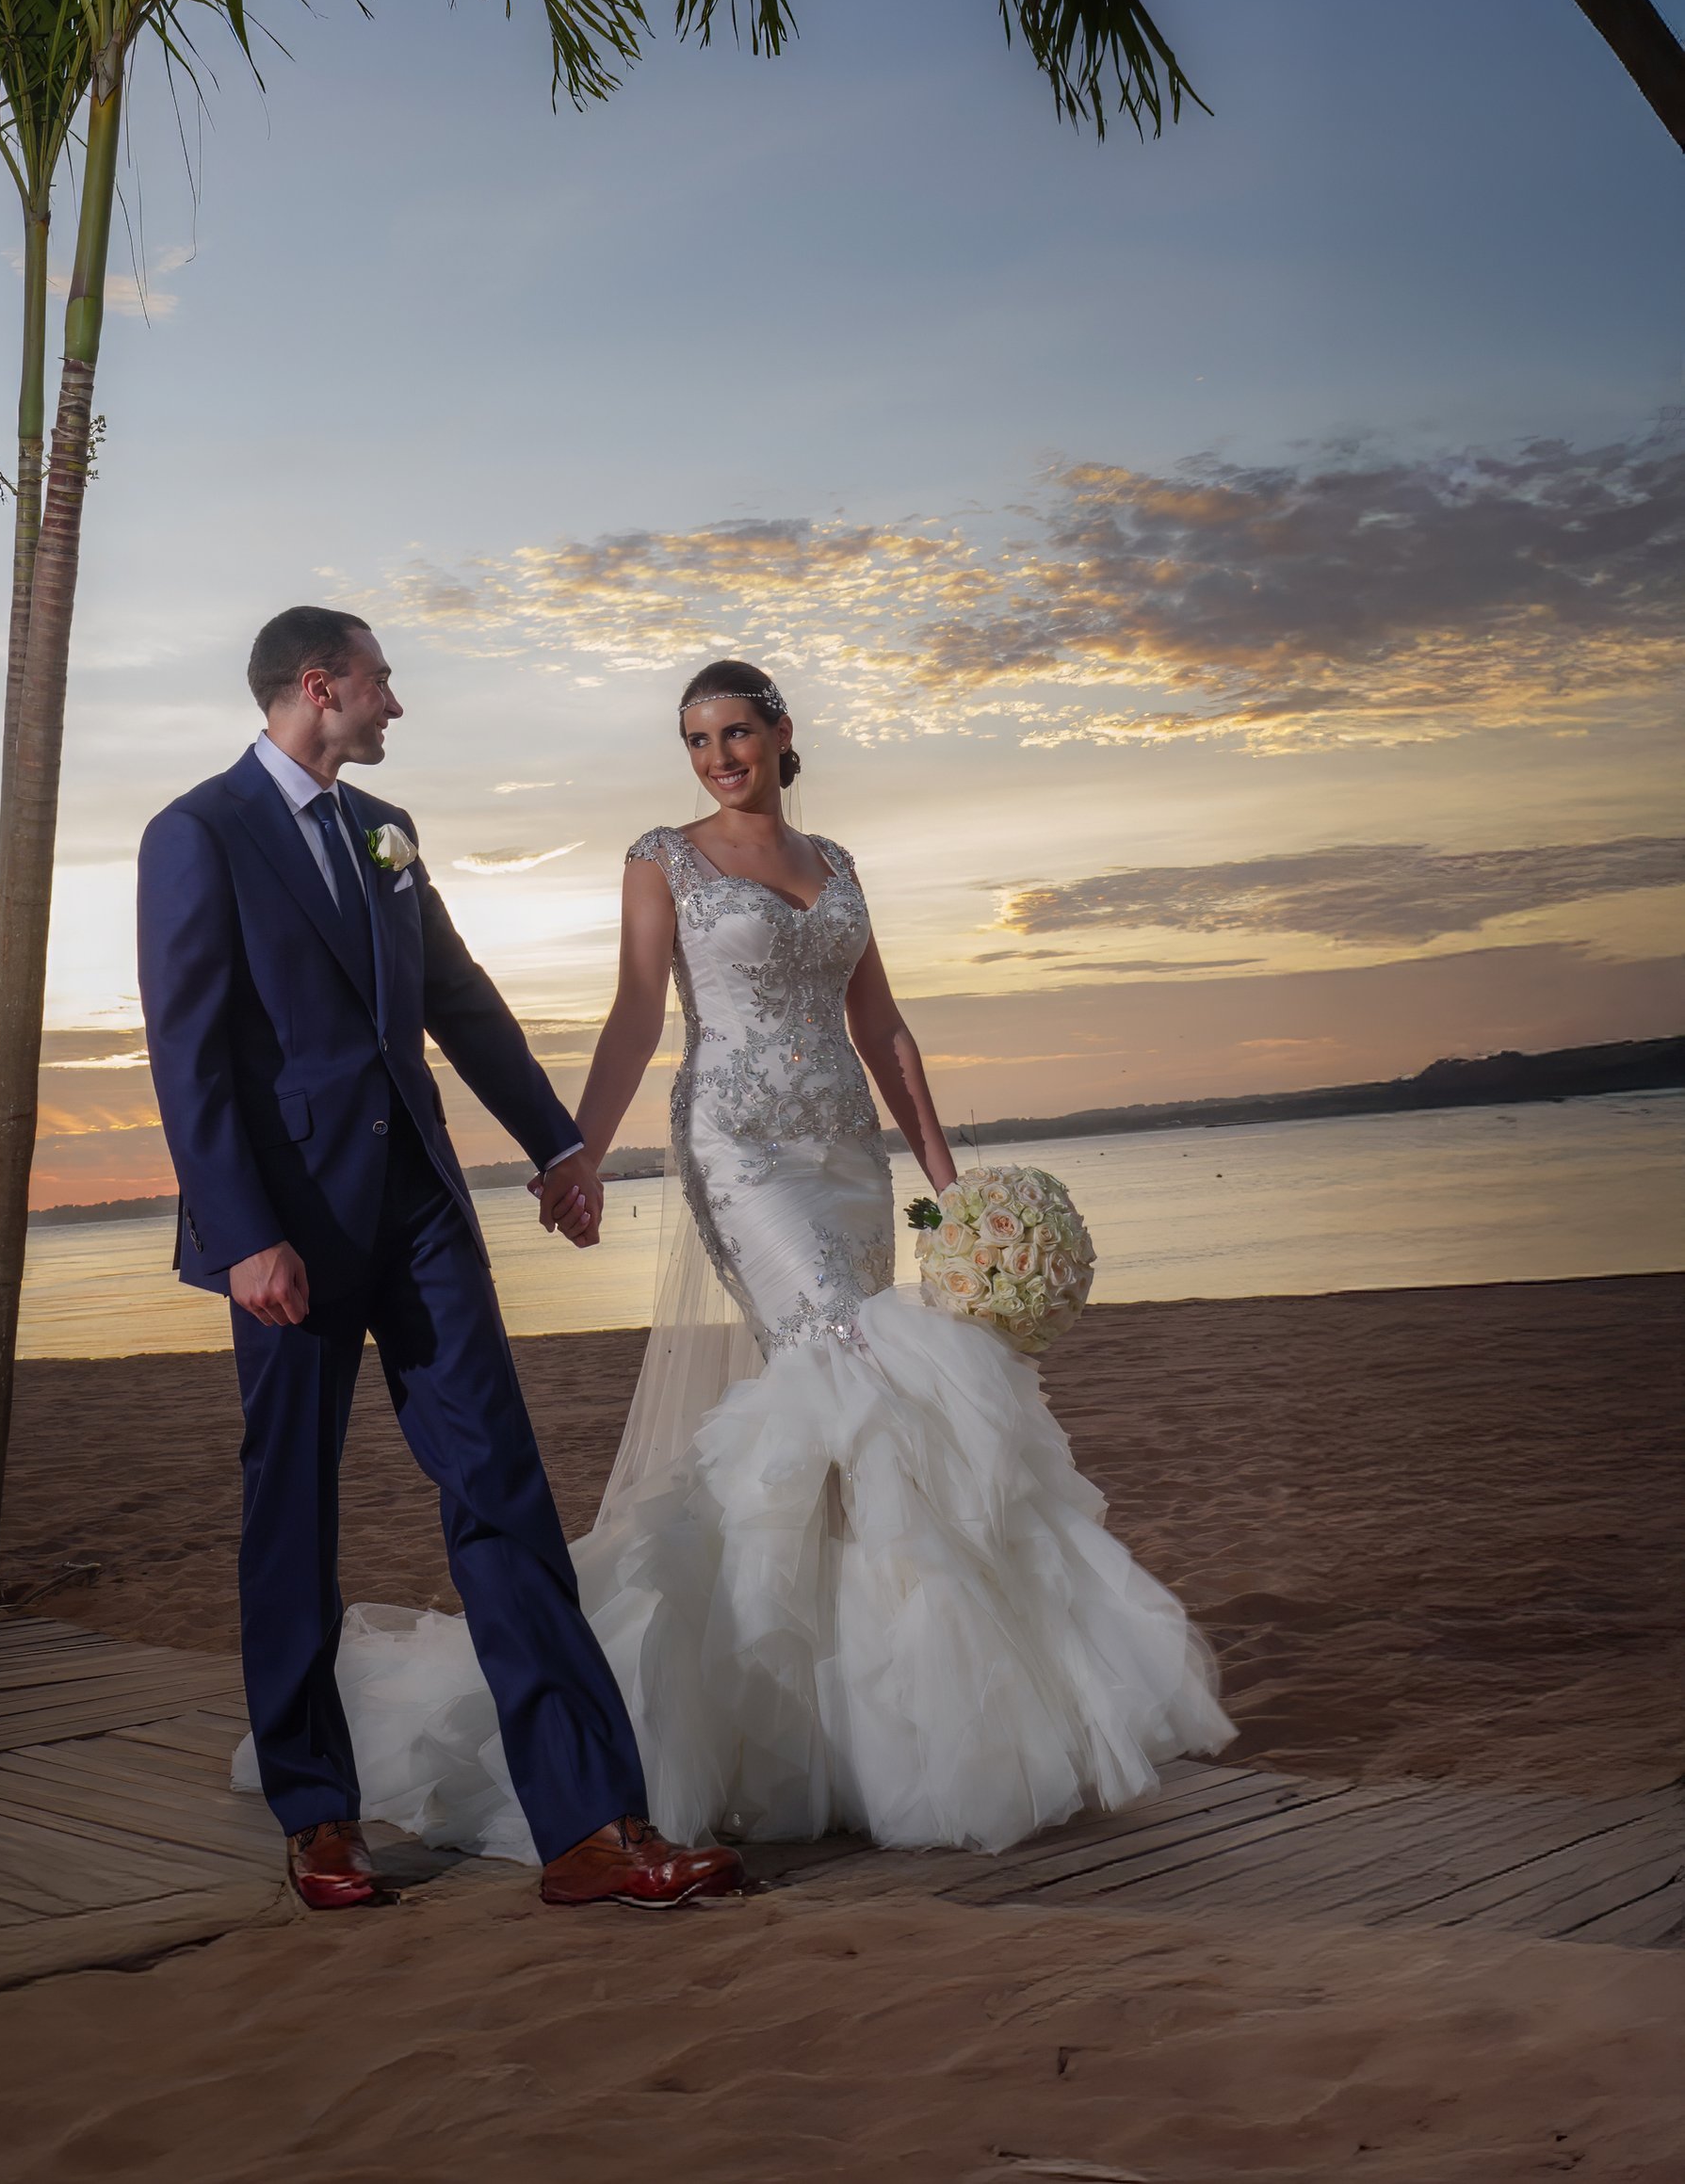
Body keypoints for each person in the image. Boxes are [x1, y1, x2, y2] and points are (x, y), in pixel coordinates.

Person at [325, 659, 1234, 1860]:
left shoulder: (838, 866)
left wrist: (950, 1186)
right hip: (740, 1150)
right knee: (849, 1366)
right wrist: (575, 1155)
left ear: (780, 732)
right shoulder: (663, 858)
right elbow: (637, 1013)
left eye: (735, 732)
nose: (716, 757)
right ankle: (811, 1708)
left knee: (866, 1408)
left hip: (852, 1155)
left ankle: (863, 1718)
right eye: (697, 738)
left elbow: (884, 1026)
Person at [135, 606, 744, 1912]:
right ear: (318, 687)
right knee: (290, 1512)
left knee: (503, 1493)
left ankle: (593, 1825)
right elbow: (187, 1055)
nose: (393, 704)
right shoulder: (196, 834)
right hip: (287, 1234)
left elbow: (459, 1000)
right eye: (378, 683)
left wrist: (560, 1147)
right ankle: (318, 1814)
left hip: (418, 1215)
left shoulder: (380, 836)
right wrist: (243, 1235)